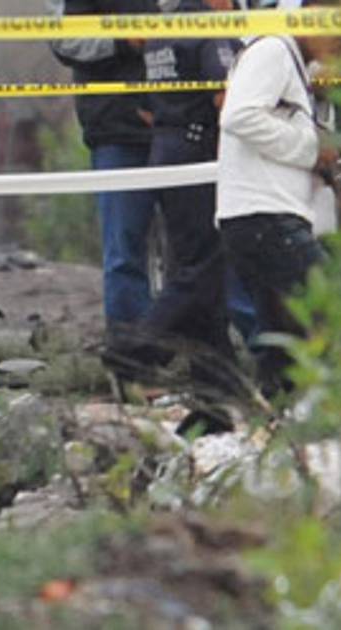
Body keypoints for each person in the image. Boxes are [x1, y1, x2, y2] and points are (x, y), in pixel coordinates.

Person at [107, 0, 247, 398]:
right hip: (200, 154)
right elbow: (226, 99)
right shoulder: (209, 29)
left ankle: (217, 382)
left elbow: (144, 107)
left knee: (198, 267)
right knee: (203, 268)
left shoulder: (161, 32)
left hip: (165, 150)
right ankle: (132, 351)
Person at [215, 0, 341, 397]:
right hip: (266, 219)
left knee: (284, 343)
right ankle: (327, 417)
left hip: (260, 218)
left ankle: (279, 418)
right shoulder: (273, 49)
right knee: (330, 315)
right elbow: (238, 116)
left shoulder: (288, 59)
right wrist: (311, 150)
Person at [50, 0, 159, 338]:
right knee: (124, 249)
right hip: (117, 127)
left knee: (196, 246)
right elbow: (64, 39)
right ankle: (132, 353)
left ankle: (200, 351)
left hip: (184, 123)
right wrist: (122, 40)